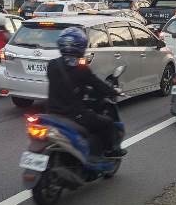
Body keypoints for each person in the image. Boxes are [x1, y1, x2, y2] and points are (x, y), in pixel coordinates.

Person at [46, 27, 126, 158]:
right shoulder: (81, 69)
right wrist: (114, 91)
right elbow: (98, 85)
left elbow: (63, 84)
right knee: (107, 123)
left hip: (52, 113)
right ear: (81, 46)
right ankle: (110, 151)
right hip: (75, 115)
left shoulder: (52, 65)